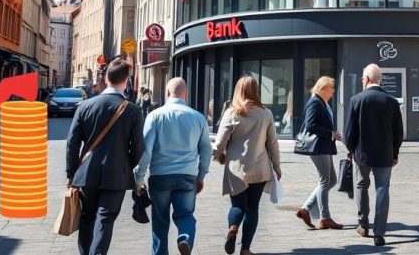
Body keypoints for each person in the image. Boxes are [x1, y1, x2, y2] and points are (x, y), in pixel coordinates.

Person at [66, 58, 146, 255]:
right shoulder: (133, 111)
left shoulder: (85, 106)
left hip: (86, 173)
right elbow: (138, 147)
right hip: (116, 175)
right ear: (126, 81)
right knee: (105, 220)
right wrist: (127, 164)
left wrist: (71, 173)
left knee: (86, 217)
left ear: (106, 79)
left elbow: (72, 143)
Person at [135, 78, 210, 255]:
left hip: (160, 177)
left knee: (160, 222)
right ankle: (184, 237)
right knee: (185, 215)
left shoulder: (155, 116)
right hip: (187, 177)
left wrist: (139, 178)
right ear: (186, 95)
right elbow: (206, 149)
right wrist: (201, 175)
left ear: (167, 93)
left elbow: (147, 150)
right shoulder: (198, 118)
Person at [215, 76, 282, 255]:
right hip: (260, 169)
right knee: (253, 208)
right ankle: (245, 249)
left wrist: (215, 156)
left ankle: (233, 227)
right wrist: (277, 165)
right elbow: (273, 143)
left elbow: (219, 143)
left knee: (237, 206)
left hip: (236, 169)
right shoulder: (266, 113)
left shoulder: (231, 113)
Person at [343, 64, 404, 247]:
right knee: (383, 189)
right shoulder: (392, 102)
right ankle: (379, 233)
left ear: (367, 79)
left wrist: (351, 149)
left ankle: (363, 224)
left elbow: (349, 133)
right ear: (380, 80)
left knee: (361, 185)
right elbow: (398, 132)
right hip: (385, 154)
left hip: (361, 154)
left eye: (363, 78)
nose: (362, 80)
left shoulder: (356, 100)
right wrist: (395, 153)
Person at [295, 76, 345, 230]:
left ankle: (306, 209)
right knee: (325, 181)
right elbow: (310, 126)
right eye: (331, 88)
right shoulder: (315, 102)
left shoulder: (321, 102)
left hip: (323, 147)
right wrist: (330, 133)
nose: (333, 91)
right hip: (318, 147)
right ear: (323, 88)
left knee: (331, 180)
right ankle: (325, 218)